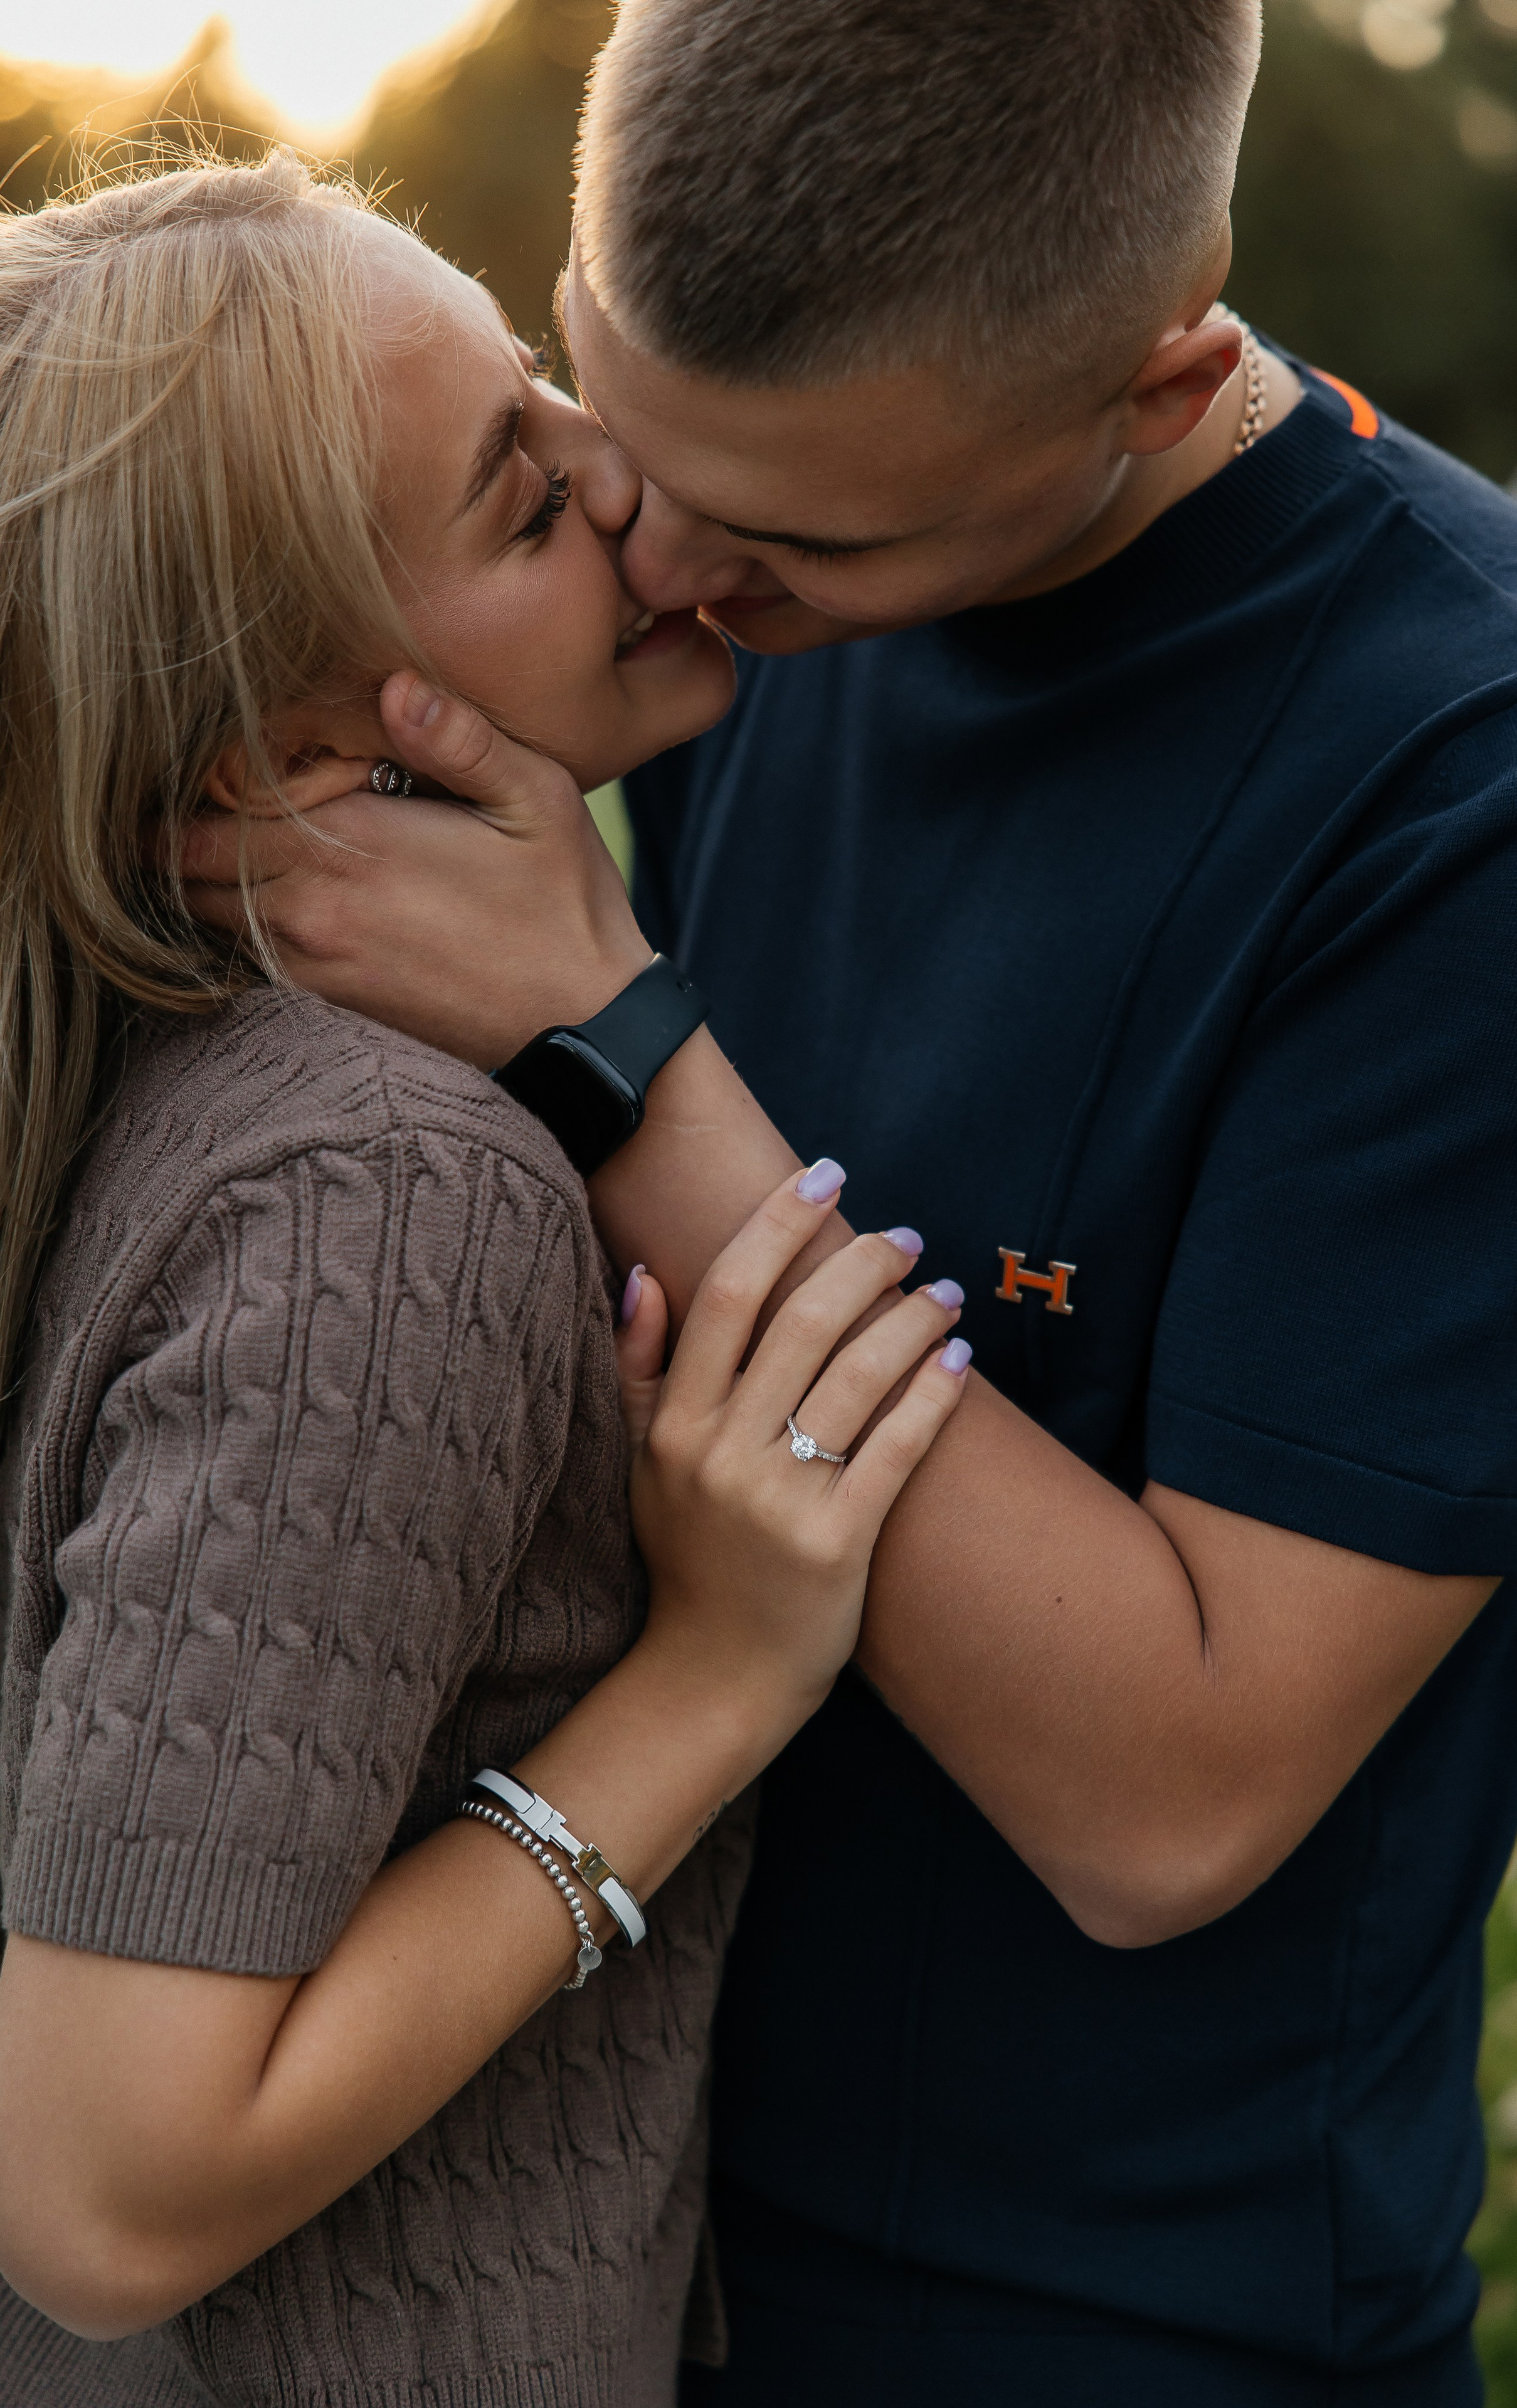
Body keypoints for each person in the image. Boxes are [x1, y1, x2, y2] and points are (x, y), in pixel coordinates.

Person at [179, 1, 1517, 2400]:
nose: (660, 559)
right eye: (606, 428)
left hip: (1102, 2334)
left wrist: (623, 1051)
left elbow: (1172, 1802)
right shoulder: (751, 570)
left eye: (801, 542)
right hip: (567, 2254)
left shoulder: (1495, 807)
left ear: (1158, 380)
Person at [0, 153, 970, 2408]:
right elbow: (102, 2192)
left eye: (546, 395)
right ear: (288, 757)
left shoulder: (143, 1078)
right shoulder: (379, 1194)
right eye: (524, 505)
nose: (626, 485)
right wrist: (716, 1679)